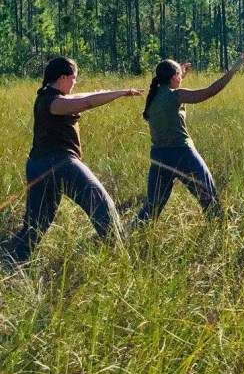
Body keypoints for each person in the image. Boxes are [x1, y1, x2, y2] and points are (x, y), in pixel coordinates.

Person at [2, 57, 141, 266]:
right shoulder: (53, 102)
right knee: (102, 205)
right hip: (60, 164)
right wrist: (119, 94)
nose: (75, 83)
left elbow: (84, 96)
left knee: (35, 225)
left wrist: (119, 92)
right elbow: (85, 102)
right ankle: (123, 260)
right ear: (63, 77)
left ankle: (12, 262)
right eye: (74, 78)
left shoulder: (48, 97)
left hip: (38, 165)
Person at [135, 52, 244, 225]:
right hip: (182, 154)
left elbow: (171, 88)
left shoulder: (154, 97)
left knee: (151, 208)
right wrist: (233, 69)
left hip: (159, 157)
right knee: (209, 199)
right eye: (178, 74)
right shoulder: (176, 95)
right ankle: (219, 231)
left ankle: (123, 236)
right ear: (173, 77)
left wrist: (179, 73)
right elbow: (209, 92)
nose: (181, 77)